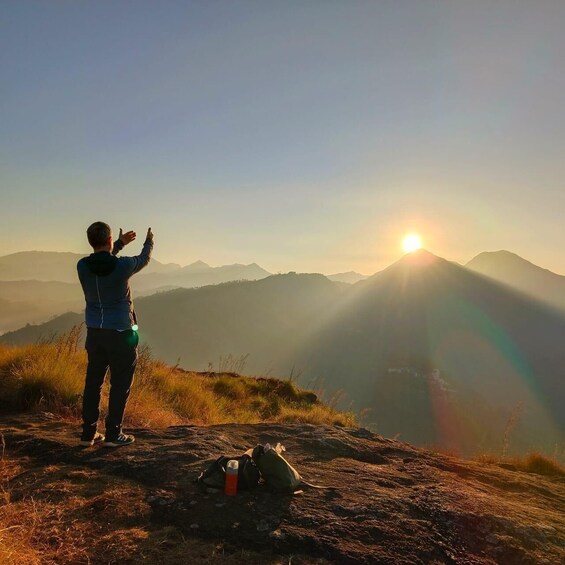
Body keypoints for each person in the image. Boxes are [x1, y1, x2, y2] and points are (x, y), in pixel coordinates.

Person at [77, 221, 154, 447]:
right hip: (120, 333)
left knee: (93, 383)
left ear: (91, 241)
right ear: (109, 240)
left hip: (95, 333)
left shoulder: (82, 266)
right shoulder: (122, 266)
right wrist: (149, 241)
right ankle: (113, 434)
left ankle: (88, 433)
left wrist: (119, 243)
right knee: (120, 384)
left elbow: (101, 262)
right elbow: (143, 259)